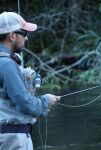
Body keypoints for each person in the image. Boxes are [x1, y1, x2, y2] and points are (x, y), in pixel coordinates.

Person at [0, 11, 60, 150]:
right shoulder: (6, 63)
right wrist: (46, 101)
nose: (26, 39)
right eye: (24, 34)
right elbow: (25, 103)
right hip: (12, 139)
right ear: (12, 35)